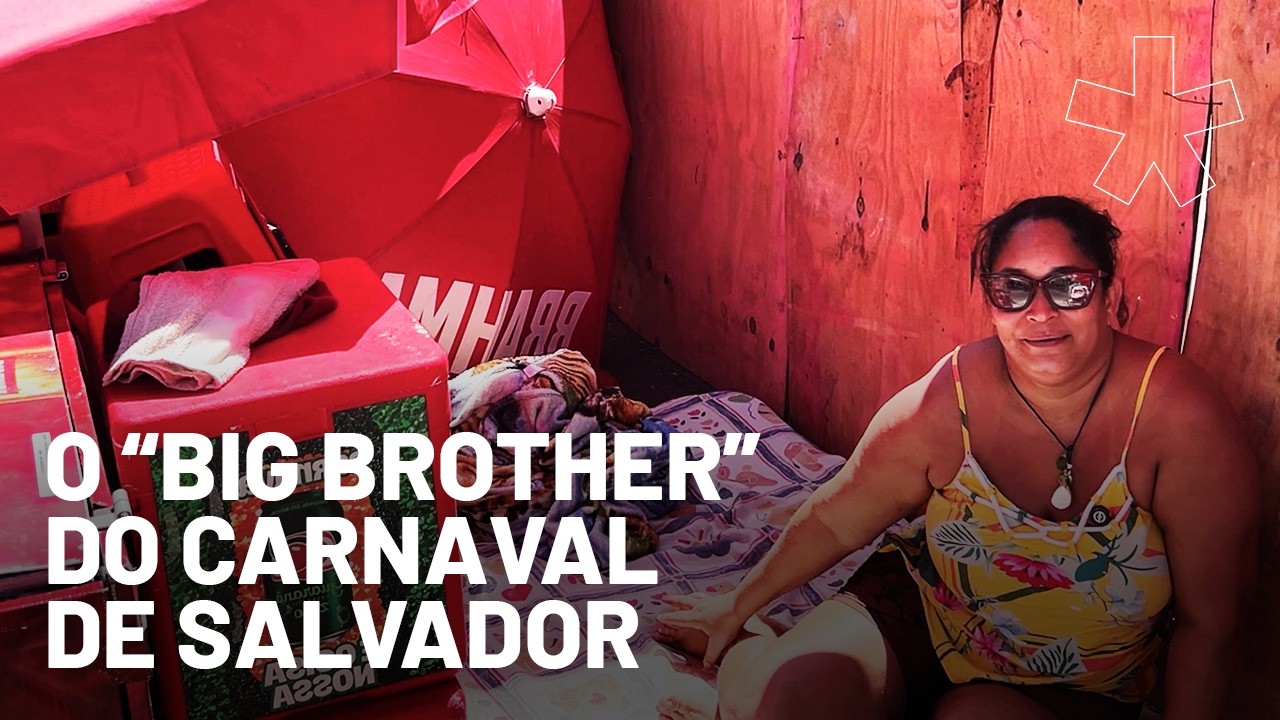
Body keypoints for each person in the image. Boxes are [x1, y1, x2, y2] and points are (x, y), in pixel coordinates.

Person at [654, 196, 1258, 720]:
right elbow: (839, 517)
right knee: (791, 701)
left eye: (1068, 286)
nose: (1040, 312)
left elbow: (1210, 628)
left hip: (1069, 684)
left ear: (1110, 294)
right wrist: (734, 606)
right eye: (1012, 289)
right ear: (991, 303)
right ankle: (757, 655)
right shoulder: (951, 397)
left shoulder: (1181, 419)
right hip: (924, 614)